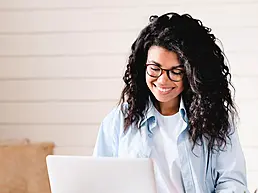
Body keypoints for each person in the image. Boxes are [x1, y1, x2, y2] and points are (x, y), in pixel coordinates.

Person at [93, 12, 249, 193]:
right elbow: (99, 181)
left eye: (176, 71)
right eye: (155, 68)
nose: (162, 81)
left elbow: (232, 183)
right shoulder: (119, 120)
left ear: (193, 74)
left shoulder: (216, 119)